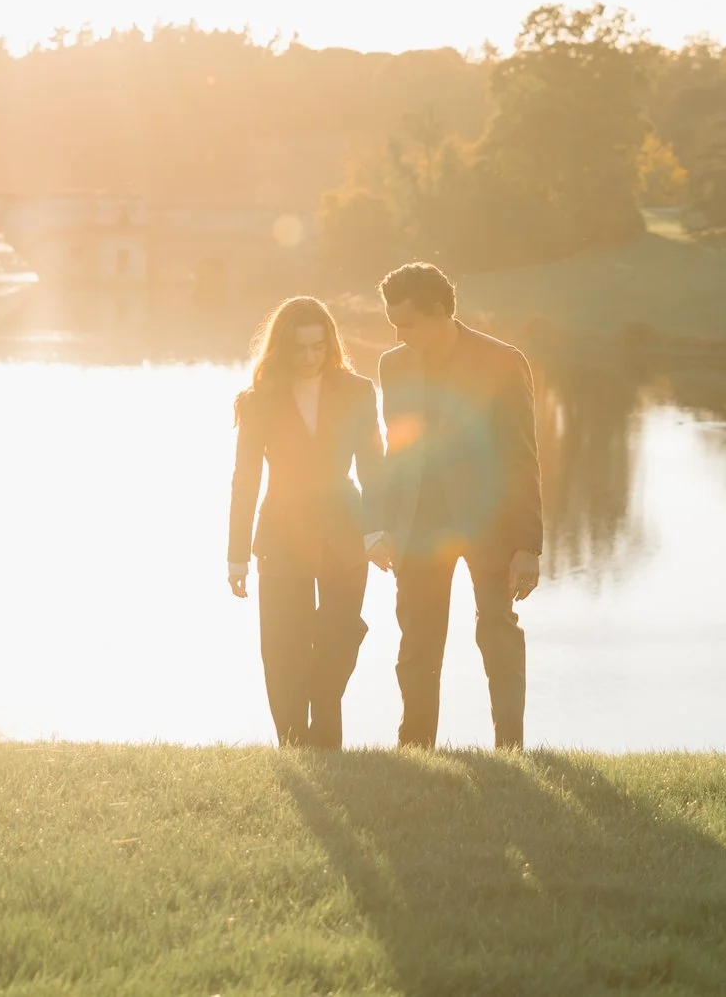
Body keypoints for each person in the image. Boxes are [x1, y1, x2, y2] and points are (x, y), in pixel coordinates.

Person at [369, 262, 542, 750]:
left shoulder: (503, 361)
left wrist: (528, 544)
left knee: (496, 635)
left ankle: (510, 748)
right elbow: (395, 447)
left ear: (441, 312)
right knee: (418, 642)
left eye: (407, 323)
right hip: (418, 527)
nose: (399, 335)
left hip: (492, 526)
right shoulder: (394, 364)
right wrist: (381, 524)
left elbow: (521, 456)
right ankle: (416, 748)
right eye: (393, 324)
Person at [227, 296, 385, 748]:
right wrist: (237, 557)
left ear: (330, 343)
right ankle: (296, 744)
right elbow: (245, 481)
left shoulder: (357, 391)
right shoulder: (258, 402)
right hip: (280, 533)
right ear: (283, 348)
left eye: (319, 346)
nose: (311, 357)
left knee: (339, 634)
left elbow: (373, 466)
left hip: (346, 530)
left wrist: (376, 530)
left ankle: (324, 728)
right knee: (283, 649)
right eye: (301, 349)